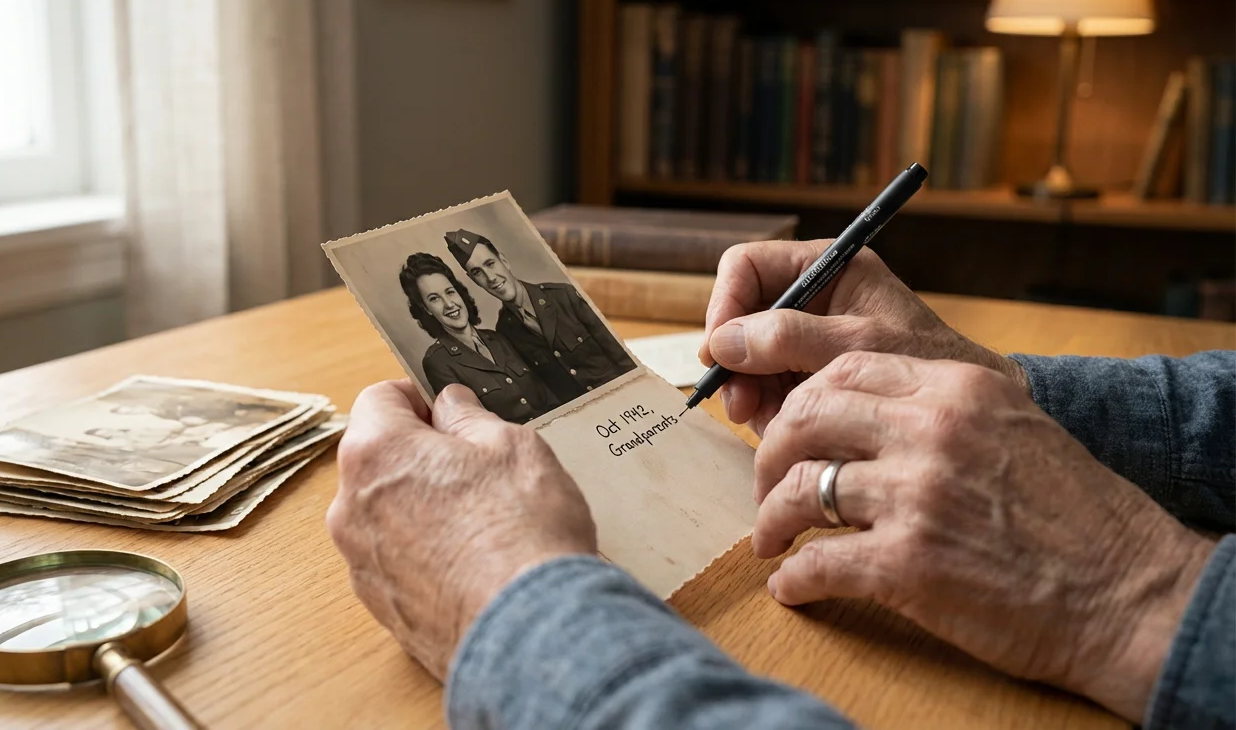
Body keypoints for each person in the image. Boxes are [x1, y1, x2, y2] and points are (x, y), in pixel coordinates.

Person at [332, 239, 1234, 730]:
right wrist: (996, 395)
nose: (471, 291)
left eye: (478, 277)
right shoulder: (461, 353)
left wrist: (512, 614)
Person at [445, 229, 636, 399]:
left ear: (504, 261)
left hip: (622, 398)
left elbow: (621, 357)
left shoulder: (564, 296)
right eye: (478, 272)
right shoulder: (505, 330)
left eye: (490, 264)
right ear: (474, 280)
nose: (491, 277)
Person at [399, 251, 558, 425]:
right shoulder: (438, 361)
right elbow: (473, 424)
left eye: (450, 292)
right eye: (434, 298)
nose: (449, 304)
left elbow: (547, 394)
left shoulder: (498, 338)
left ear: (459, 293)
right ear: (426, 309)